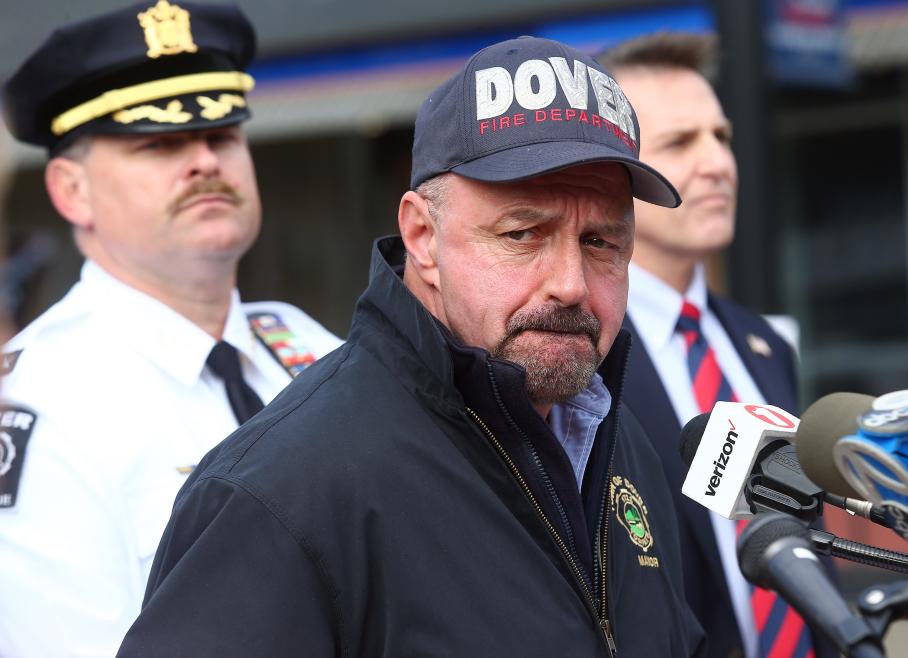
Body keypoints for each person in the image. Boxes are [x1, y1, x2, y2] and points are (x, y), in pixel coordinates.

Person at [117, 36, 705, 657]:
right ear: (422, 236)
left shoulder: (613, 439)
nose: (570, 284)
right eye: (523, 233)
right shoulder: (280, 494)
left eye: (600, 243)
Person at [0, 3, 341, 657]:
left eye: (223, 135)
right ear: (72, 192)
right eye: (159, 144)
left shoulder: (309, 346)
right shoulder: (37, 400)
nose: (204, 162)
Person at [600, 33, 835, 658]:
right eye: (681, 142)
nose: (718, 164)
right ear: (616, 174)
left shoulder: (761, 344)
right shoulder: (581, 362)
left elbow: (798, 533)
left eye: (722, 137)